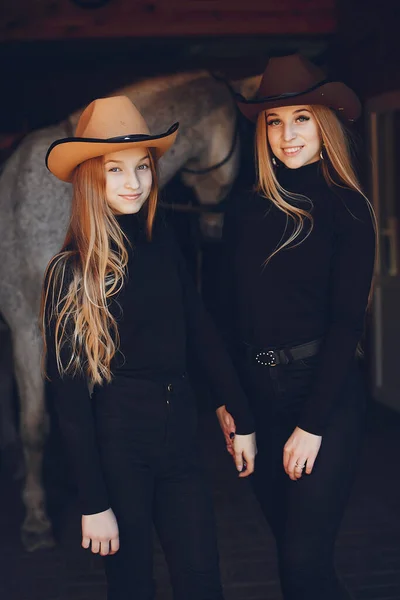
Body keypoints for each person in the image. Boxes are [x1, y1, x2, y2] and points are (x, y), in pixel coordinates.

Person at [41, 95, 256, 600]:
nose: (134, 182)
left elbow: (200, 330)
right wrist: (93, 503)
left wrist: (237, 410)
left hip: (180, 436)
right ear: (89, 177)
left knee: (203, 581)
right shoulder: (70, 273)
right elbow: (69, 404)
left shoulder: (164, 243)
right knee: (133, 585)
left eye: (142, 167)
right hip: (119, 447)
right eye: (116, 170)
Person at [217, 54, 376, 599]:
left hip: (323, 398)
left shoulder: (348, 209)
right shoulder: (243, 210)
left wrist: (311, 425)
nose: (287, 135)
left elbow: (345, 324)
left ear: (325, 124)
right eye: (275, 121)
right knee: (293, 555)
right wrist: (231, 405)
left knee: (304, 560)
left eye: (302, 118)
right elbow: (223, 314)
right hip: (257, 399)